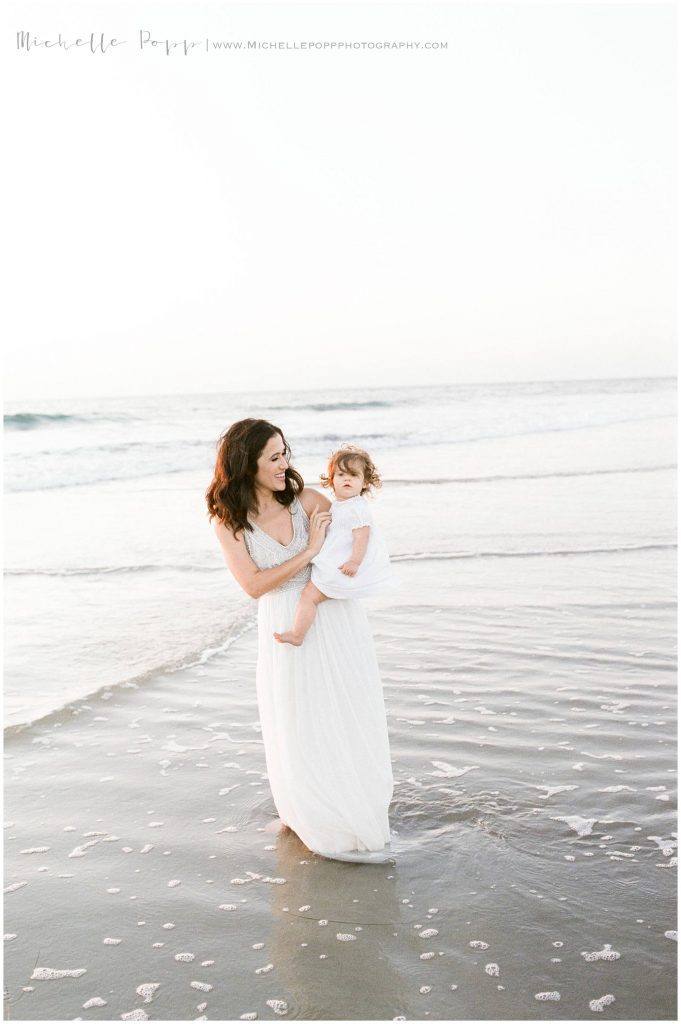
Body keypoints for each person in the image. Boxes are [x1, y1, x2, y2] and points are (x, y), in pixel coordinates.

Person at [206, 419, 394, 864]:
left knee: (345, 711)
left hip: (333, 616)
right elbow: (253, 586)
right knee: (297, 717)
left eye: (285, 452)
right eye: (273, 457)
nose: (284, 463)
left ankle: (353, 807)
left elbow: (355, 549)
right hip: (282, 624)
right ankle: (307, 808)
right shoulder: (230, 521)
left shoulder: (310, 500)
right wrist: (307, 553)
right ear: (244, 463)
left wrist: (329, 566)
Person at [274, 445, 396, 646]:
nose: (346, 479)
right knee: (309, 596)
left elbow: (362, 537)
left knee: (309, 597)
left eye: (354, 475)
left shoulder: (356, 508)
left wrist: (354, 562)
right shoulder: (342, 505)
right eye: (341, 474)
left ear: (365, 482)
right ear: (331, 480)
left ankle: (298, 634)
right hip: (337, 563)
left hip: (340, 568)